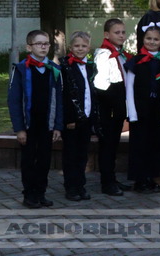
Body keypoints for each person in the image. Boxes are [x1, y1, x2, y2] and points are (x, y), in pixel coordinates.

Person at [8, 30, 63, 208]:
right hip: (29, 124)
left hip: (46, 124)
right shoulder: (21, 69)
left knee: (44, 160)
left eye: (46, 43)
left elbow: (59, 100)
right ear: (29, 47)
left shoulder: (54, 70)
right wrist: (19, 128)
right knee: (29, 160)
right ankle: (29, 194)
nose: (43, 47)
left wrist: (57, 126)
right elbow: (14, 100)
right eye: (39, 43)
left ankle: (41, 192)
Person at [124, 22, 160, 194]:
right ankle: (139, 179)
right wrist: (132, 113)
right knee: (139, 145)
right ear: (143, 39)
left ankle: (151, 177)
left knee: (155, 144)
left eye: (155, 39)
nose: (152, 42)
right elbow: (129, 88)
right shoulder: (135, 62)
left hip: (158, 108)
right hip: (140, 110)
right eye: (148, 38)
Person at [93, 18, 131, 196]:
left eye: (123, 32)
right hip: (108, 108)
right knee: (107, 146)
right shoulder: (104, 54)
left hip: (117, 106)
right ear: (107, 35)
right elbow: (101, 84)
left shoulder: (119, 53)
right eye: (117, 32)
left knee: (113, 144)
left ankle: (112, 178)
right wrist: (115, 105)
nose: (121, 35)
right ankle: (107, 182)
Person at [60, 32, 100, 202]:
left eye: (83, 46)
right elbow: (65, 94)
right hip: (72, 120)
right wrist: (69, 118)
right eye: (77, 46)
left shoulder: (90, 66)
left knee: (83, 154)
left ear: (88, 48)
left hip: (86, 116)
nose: (80, 49)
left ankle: (80, 185)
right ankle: (71, 187)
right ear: (70, 48)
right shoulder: (65, 67)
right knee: (71, 154)